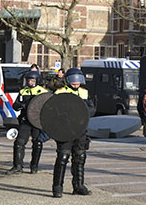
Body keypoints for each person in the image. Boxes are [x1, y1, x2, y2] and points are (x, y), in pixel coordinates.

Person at [52, 68, 95, 198]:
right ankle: (57, 187)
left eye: (78, 81)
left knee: (80, 157)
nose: (76, 83)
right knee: (63, 157)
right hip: (65, 130)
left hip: (80, 129)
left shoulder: (85, 92)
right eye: (73, 80)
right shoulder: (60, 92)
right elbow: (53, 111)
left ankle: (78, 186)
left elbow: (91, 110)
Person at [7, 70, 48, 175]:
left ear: (37, 80)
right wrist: (20, 105)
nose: (30, 82)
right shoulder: (23, 91)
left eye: (32, 80)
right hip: (25, 120)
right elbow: (15, 105)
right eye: (28, 80)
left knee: (37, 143)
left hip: (37, 121)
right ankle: (17, 166)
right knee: (19, 142)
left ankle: (34, 166)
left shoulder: (42, 92)